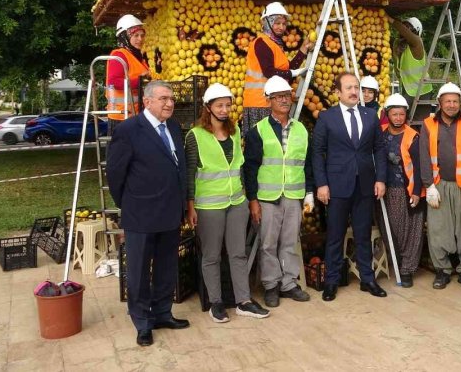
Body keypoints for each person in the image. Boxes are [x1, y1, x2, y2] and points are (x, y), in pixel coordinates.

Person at [106, 80, 189, 347]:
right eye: (163, 98)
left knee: (167, 267)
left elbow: (180, 168)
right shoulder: (129, 130)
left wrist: (184, 203)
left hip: (169, 212)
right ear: (147, 101)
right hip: (140, 214)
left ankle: (163, 313)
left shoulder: (174, 127)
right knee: (139, 272)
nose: (169, 103)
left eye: (172, 99)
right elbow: (116, 174)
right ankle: (142, 322)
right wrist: (129, 204)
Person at [185, 83, 270, 323]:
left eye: (227, 104)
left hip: (236, 202)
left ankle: (243, 301)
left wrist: (247, 199)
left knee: (238, 253)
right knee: (211, 255)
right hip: (209, 205)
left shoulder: (234, 132)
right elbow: (190, 173)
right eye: (219, 105)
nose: (224, 109)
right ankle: (216, 303)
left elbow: (240, 168)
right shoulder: (195, 135)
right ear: (208, 108)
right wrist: (190, 205)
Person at [312, 72, 387, 302]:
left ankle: (368, 279)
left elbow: (379, 149)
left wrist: (380, 179)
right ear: (338, 92)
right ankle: (331, 281)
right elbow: (317, 152)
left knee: (363, 234)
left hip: (365, 185)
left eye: (356, 87)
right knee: (335, 235)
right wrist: (322, 184)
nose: (354, 92)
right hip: (336, 187)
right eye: (349, 88)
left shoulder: (370, 116)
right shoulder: (327, 117)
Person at [242, 76, 315, 307]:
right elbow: (250, 168)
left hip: (293, 195)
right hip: (268, 197)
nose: (285, 100)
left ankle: (289, 283)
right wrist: (253, 200)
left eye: (287, 95)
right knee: (268, 243)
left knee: (290, 241)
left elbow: (308, 163)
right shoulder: (258, 131)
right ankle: (271, 285)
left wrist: (310, 192)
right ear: (268, 101)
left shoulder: (301, 130)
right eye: (279, 97)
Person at [420, 82, 461, 290]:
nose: (452, 105)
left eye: (455, 101)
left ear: (460, 103)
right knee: (438, 230)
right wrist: (428, 186)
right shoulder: (428, 125)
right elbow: (424, 157)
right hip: (439, 185)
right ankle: (443, 271)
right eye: (448, 101)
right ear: (440, 103)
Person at [242, 2, 314, 134]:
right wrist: (293, 73)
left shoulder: (274, 45)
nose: (281, 27)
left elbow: (287, 69)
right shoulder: (261, 43)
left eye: (284, 24)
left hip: (272, 102)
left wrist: (303, 50)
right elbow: (269, 72)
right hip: (260, 103)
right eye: (277, 23)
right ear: (267, 23)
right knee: (260, 144)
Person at [378, 93, 424, 288]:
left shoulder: (413, 136)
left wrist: (416, 191)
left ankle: (407, 270)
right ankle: (397, 263)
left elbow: (421, 166)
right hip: (385, 190)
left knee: (410, 231)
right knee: (393, 230)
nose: (398, 118)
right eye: (394, 114)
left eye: (401, 114)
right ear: (388, 114)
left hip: (407, 190)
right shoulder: (380, 133)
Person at [106, 14, 150, 130]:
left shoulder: (139, 58)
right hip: (121, 117)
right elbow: (114, 81)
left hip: (135, 114)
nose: (140, 39)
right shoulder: (119, 55)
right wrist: (141, 80)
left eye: (142, 35)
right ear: (124, 37)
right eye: (136, 35)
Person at [389, 17, 432, 118]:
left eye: (407, 27)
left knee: (420, 123)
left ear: (415, 31)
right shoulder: (401, 48)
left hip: (422, 91)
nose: (403, 30)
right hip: (408, 90)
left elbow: (404, 32)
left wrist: (390, 20)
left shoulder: (417, 43)